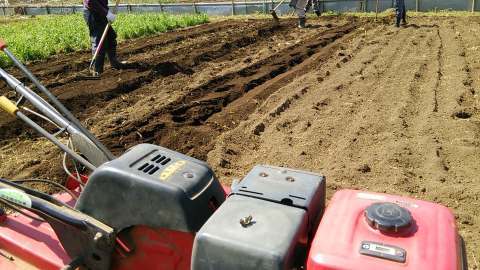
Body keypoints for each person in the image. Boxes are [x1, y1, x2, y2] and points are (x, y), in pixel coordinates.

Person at [83, 0, 128, 77]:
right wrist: (106, 13)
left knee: (111, 37)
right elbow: (90, 1)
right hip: (93, 12)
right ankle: (96, 71)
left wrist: (106, 12)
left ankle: (114, 63)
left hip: (101, 11)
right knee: (99, 41)